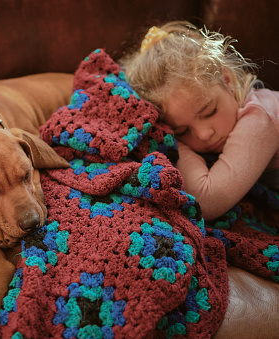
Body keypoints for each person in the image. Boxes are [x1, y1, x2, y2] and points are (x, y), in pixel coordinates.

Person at [119, 21, 279, 220]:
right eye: (183, 131)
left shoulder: (260, 118)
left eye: (209, 112)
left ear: (227, 79)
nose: (204, 135)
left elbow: (206, 201)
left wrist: (176, 142)